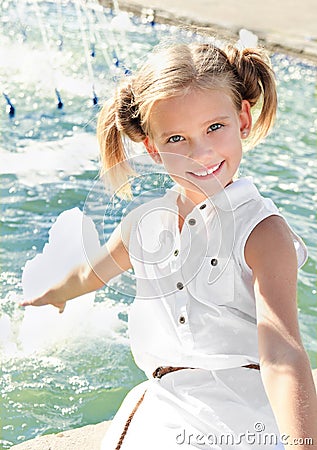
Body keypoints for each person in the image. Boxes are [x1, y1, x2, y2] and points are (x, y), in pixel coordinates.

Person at [20, 42, 317, 449]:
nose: (201, 152)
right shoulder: (145, 225)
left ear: (243, 118)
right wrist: (53, 295)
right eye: (177, 138)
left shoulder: (262, 232)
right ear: (153, 149)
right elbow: (91, 273)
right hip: (165, 404)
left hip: (241, 412)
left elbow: (282, 356)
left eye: (215, 127)